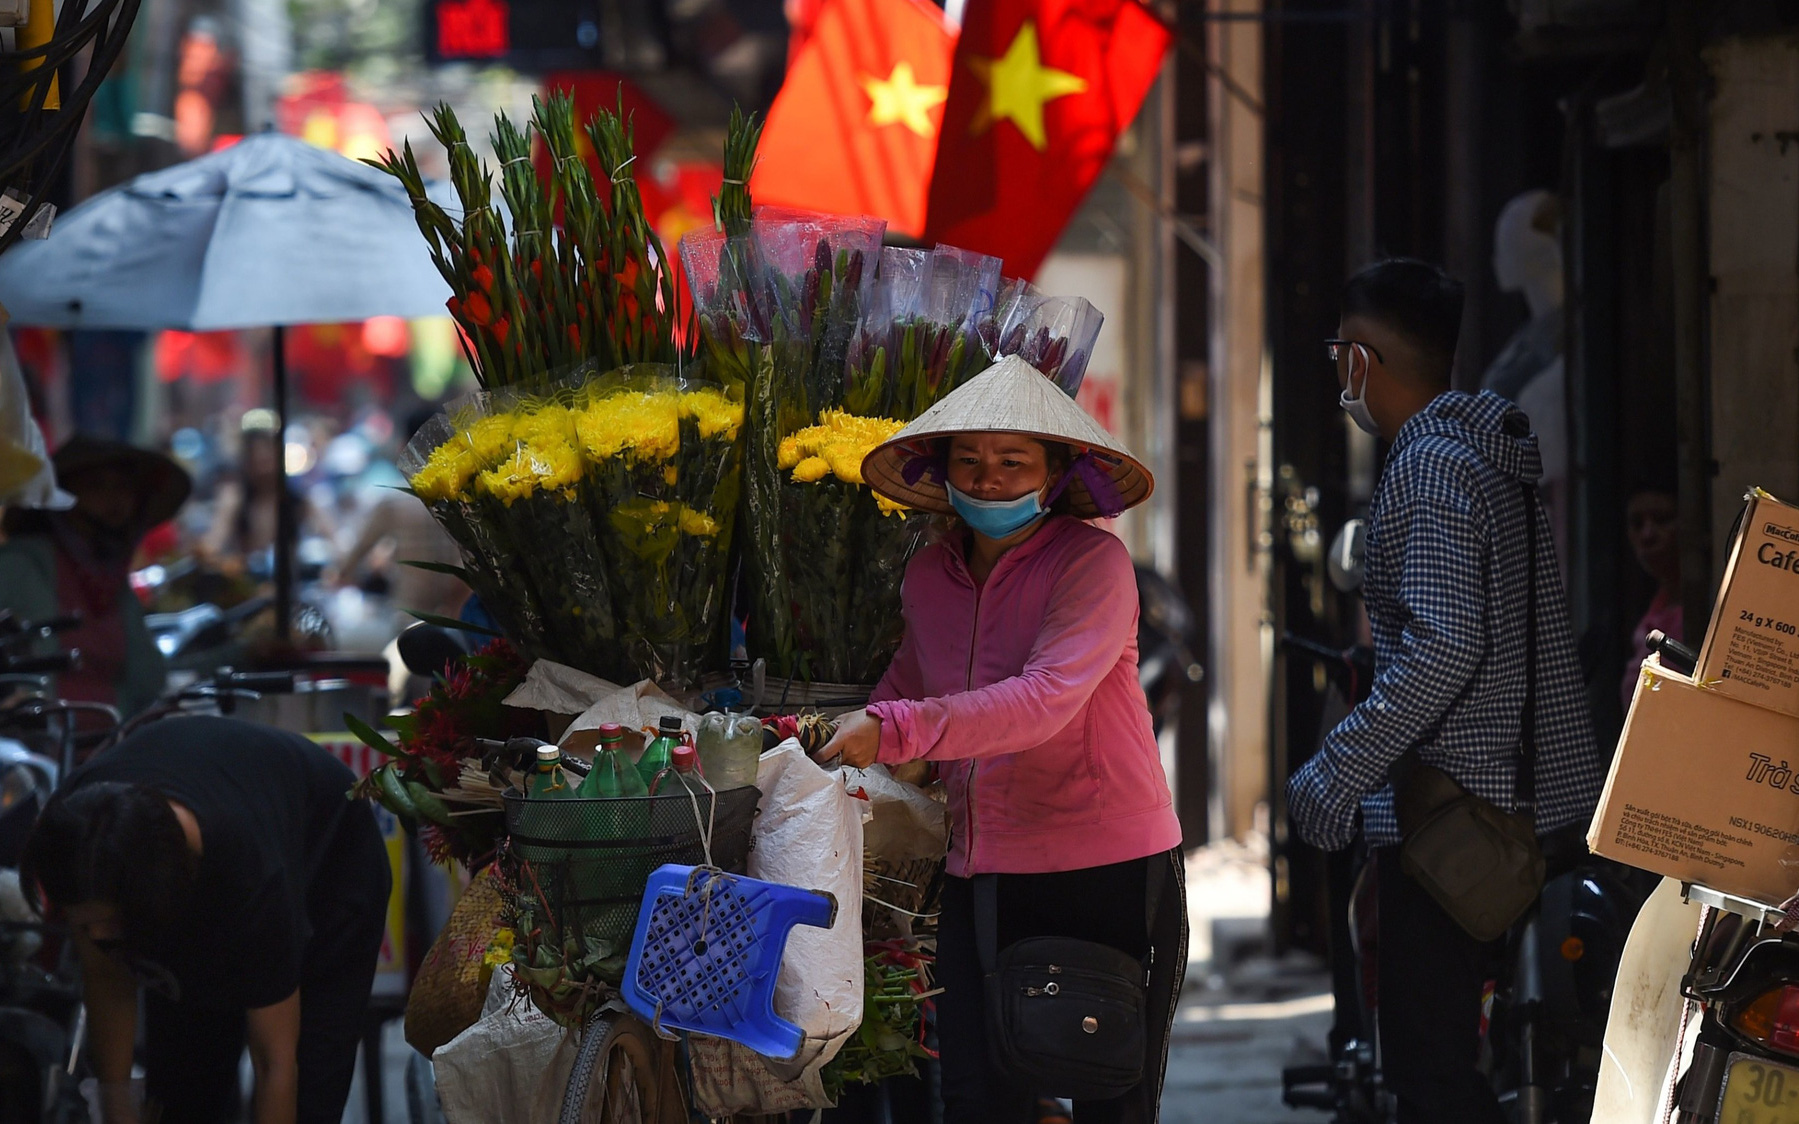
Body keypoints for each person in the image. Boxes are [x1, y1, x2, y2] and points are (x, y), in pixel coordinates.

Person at [819, 355, 1187, 1124]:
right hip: (982, 874)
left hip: (1107, 871)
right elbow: (908, 682)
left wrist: (890, 729)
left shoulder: (1093, 563)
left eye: (1012, 462)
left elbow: (1042, 701)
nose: (987, 480)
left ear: (1054, 475)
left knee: (1110, 1095)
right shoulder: (927, 575)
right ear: (941, 470)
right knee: (978, 1098)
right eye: (969, 461)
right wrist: (812, 745)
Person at [1285, 259, 1602, 1123]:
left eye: (1335, 356)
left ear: (1360, 360)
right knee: (1478, 1065)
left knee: (1432, 1079)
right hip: (1509, 803)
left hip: (1453, 823)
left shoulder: (1428, 469)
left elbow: (1442, 645)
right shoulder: (1483, 454)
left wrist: (1333, 773)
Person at [20, 715, 390, 1124]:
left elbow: (275, 1065)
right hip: (197, 839)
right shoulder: (75, 838)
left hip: (330, 862)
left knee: (309, 1091)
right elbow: (107, 979)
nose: (97, 935)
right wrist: (115, 1103)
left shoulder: (248, 876)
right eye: (84, 923)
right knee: (182, 1094)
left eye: (107, 921)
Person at [0, 435, 191, 716]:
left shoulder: (112, 583)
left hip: (111, 748)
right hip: (42, 750)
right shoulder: (20, 568)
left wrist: (246, 654)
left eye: (123, 487)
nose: (113, 501)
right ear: (63, 496)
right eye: (96, 486)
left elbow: (150, 680)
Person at [1621, 477, 1682, 708]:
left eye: (1662, 520)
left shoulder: (1706, 609)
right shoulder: (1658, 605)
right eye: (1637, 523)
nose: (1648, 535)